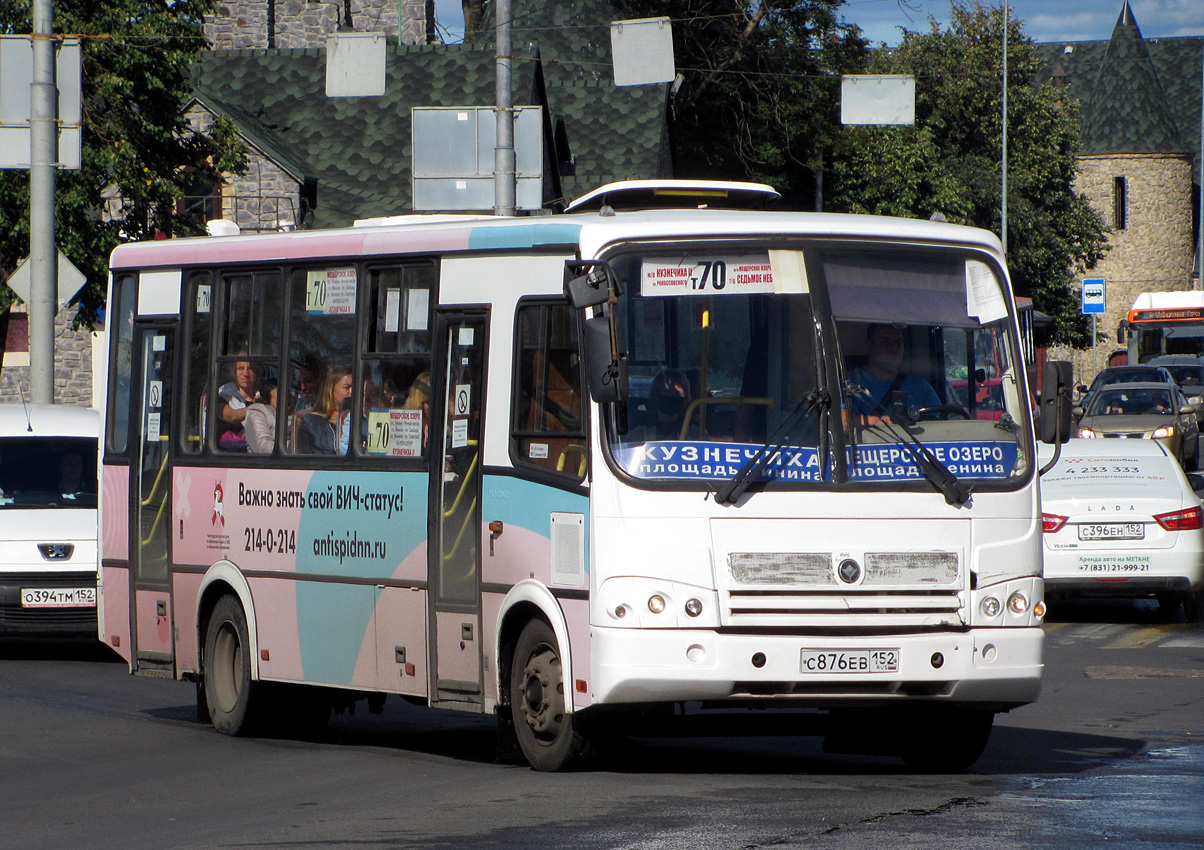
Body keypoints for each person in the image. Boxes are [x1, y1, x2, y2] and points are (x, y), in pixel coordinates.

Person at [847, 324, 940, 422]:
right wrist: (882, 422)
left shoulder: (919, 385)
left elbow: (941, 420)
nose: (894, 347)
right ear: (870, 346)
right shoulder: (851, 383)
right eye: (886, 342)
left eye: (898, 342)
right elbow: (842, 421)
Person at [297, 367, 353, 454]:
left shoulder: (360, 418)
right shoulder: (313, 422)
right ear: (330, 389)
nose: (352, 392)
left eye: (354, 387)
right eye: (347, 387)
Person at [217, 357, 260, 451]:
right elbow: (231, 416)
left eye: (250, 368)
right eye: (240, 368)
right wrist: (256, 407)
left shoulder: (263, 396)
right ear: (233, 372)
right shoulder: (223, 395)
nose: (245, 373)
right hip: (231, 454)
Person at [244, 380, 278, 454]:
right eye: (278, 391)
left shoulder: (298, 410)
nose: (288, 395)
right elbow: (263, 446)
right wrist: (289, 449)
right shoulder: (257, 411)